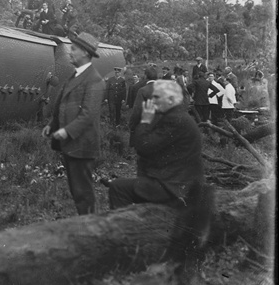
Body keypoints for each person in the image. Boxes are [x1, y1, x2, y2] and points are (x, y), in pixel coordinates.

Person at [108, 80, 204, 209]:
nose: (152, 100)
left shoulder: (174, 120)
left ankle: (125, 227)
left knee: (117, 187)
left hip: (173, 186)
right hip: (179, 182)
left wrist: (145, 121)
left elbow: (143, 146)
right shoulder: (177, 115)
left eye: (157, 97)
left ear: (170, 99)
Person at [42, 32, 105, 215]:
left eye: (74, 49)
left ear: (85, 53)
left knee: (83, 191)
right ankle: (86, 224)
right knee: (77, 190)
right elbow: (63, 104)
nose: (70, 52)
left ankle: (91, 229)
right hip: (73, 144)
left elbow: (88, 114)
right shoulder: (76, 76)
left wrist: (66, 131)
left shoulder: (95, 80)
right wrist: (52, 125)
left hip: (82, 144)